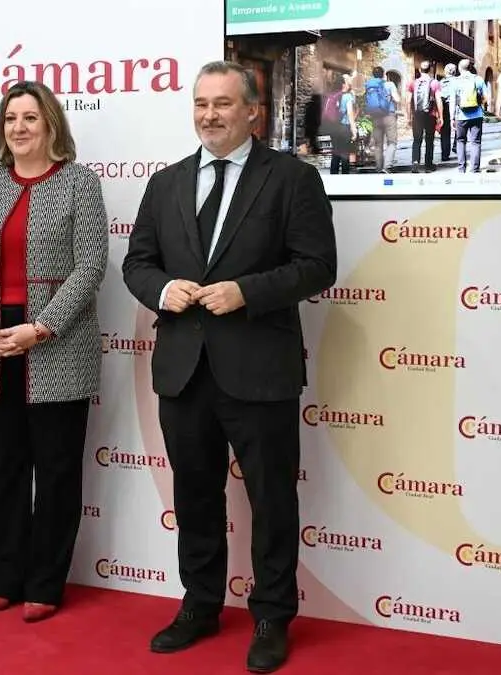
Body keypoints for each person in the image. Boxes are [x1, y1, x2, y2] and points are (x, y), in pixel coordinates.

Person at [122, 61, 336, 672]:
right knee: (194, 495)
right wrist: (164, 291)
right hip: (183, 369)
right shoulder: (165, 184)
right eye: (200, 104)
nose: (209, 115)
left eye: (222, 103)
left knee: (271, 499)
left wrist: (246, 292)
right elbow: (138, 263)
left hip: (259, 369)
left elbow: (317, 264)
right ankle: (200, 603)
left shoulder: (291, 178)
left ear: (252, 111)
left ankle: (271, 615)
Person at [0, 80, 108, 623]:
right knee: (8, 466)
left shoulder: (79, 185)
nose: (19, 127)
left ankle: (45, 583)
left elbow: (90, 267)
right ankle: (5, 575)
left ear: (51, 126)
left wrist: (41, 328)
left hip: (55, 345)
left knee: (58, 469)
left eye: (30, 118)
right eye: (10, 119)